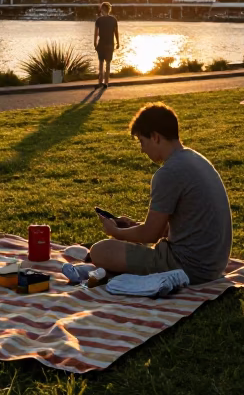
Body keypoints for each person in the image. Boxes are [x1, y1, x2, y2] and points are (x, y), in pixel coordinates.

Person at [89, 103, 232, 284]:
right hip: (214, 264)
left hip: (189, 267)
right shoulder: (197, 159)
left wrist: (115, 232)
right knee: (125, 244)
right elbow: (182, 223)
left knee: (100, 251)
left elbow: (150, 235)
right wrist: (134, 226)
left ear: (155, 137)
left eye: (142, 141)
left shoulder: (168, 173)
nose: (142, 149)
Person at [93, 2, 119, 86]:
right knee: (108, 64)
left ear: (102, 9)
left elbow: (96, 33)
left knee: (101, 63)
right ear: (109, 9)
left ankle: (100, 82)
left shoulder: (99, 20)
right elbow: (116, 32)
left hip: (101, 44)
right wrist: (118, 42)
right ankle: (106, 82)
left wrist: (95, 43)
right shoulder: (113, 20)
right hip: (110, 44)